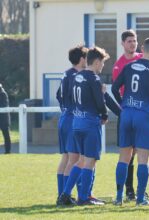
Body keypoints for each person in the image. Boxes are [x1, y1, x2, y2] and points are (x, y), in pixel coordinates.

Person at [112, 37, 149, 206]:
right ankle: (140, 198)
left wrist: (123, 103)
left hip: (127, 113)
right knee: (143, 158)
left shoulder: (128, 66)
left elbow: (114, 88)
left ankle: (118, 196)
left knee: (124, 157)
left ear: (142, 49)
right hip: (144, 115)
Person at [58, 46, 110, 206]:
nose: (102, 66)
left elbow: (70, 99)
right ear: (96, 62)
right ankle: (84, 197)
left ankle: (65, 194)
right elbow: (99, 102)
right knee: (90, 160)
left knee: (80, 160)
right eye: (102, 63)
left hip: (77, 123)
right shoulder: (93, 79)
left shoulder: (76, 77)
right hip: (90, 124)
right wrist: (104, 115)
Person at [112, 29, 143, 201]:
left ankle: (142, 190)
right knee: (128, 154)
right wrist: (123, 108)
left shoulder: (142, 59)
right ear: (122, 43)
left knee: (144, 152)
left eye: (134, 40)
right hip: (128, 113)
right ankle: (128, 190)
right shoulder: (119, 65)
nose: (133, 44)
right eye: (129, 41)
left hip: (143, 113)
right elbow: (117, 89)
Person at [55, 45, 88, 205]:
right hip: (72, 119)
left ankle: (61, 193)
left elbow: (58, 95)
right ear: (82, 59)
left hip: (64, 117)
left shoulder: (66, 74)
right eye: (86, 57)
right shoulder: (77, 76)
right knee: (74, 158)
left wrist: (65, 109)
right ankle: (65, 196)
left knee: (66, 157)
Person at [0, 83, 11, 154]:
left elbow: (4, 105)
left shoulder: (3, 94)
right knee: (6, 135)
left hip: (4, 118)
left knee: (6, 135)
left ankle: (7, 151)